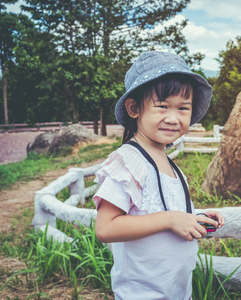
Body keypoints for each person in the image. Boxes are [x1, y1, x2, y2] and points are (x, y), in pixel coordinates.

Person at [93, 51, 224, 300]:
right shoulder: (129, 161)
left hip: (176, 291)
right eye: (162, 106)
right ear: (134, 108)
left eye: (183, 108)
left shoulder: (171, 165)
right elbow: (105, 228)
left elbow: (159, 213)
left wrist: (196, 218)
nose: (173, 118)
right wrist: (171, 219)